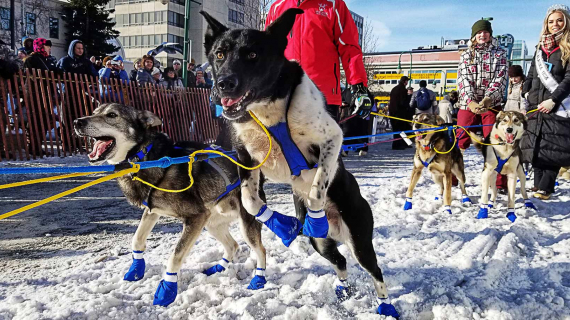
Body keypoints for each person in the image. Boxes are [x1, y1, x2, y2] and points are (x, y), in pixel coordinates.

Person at [265, 0, 373, 123]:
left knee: (322, 142)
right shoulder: (277, 7)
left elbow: (349, 48)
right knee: (280, 142)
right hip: (283, 96)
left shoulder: (333, 5)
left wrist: (359, 88)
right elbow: (267, 53)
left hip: (323, 96)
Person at [521, 4, 570, 200]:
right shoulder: (540, 48)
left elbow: (569, 78)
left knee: (553, 145)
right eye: (551, 21)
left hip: (558, 104)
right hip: (536, 103)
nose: (555, 24)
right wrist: (526, 92)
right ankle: (538, 185)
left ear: (565, 22)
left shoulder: (568, 46)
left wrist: (554, 99)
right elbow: (532, 73)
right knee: (537, 143)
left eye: (559, 20)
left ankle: (546, 187)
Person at [456, 19, 508, 190]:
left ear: (490, 34)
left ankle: (498, 183)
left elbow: (500, 79)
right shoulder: (465, 55)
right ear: (473, 35)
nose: (482, 35)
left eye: (485, 32)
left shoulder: (500, 53)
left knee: (495, 141)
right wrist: (470, 102)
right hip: (468, 104)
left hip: (491, 104)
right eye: (479, 32)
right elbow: (463, 80)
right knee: (460, 138)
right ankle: (452, 178)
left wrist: (488, 99)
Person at [389, 76, 413, 150]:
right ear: (405, 81)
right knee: (401, 129)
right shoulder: (402, 90)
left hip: (392, 112)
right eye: (407, 81)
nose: (407, 83)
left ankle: (397, 144)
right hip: (400, 113)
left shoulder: (394, 89)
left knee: (396, 129)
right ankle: (399, 145)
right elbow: (403, 102)